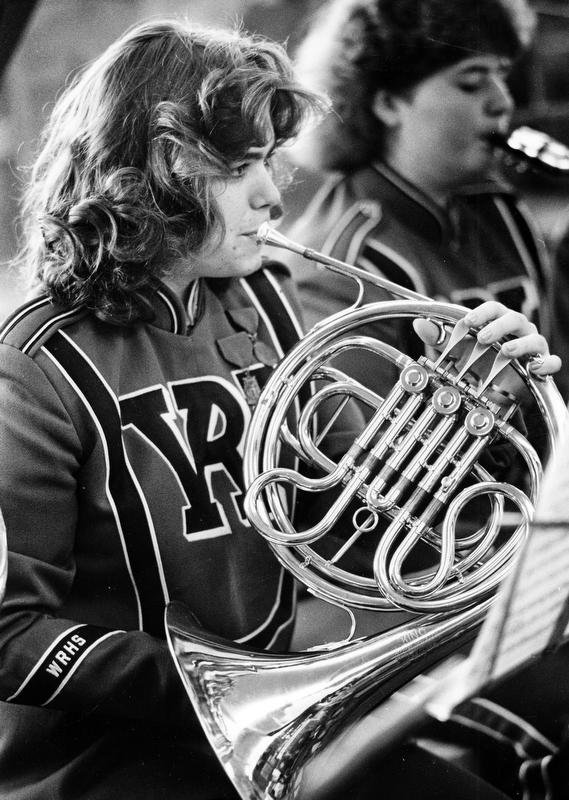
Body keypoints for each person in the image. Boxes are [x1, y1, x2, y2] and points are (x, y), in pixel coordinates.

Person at [0, 15, 560, 800]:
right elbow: (10, 633)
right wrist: (226, 692)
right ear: (160, 171)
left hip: (273, 718)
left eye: (269, 158)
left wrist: (477, 398)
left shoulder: (262, 298)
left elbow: (358, 513)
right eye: (242, 166)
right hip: (102, 755)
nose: (273, 193)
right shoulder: (33, 367)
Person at [281, 0, 554, 408]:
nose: (503, 102)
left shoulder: (501, 210)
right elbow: (353, 451)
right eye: (472, 82)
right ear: (387, 103)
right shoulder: (341, 263)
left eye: (500, 75)